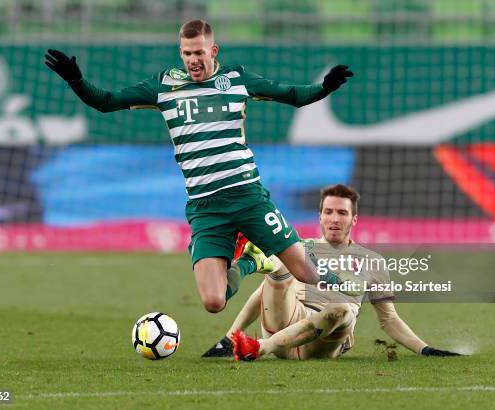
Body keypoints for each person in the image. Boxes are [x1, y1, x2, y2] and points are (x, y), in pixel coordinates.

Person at [44, 20, 353, 313]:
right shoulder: (165, 84)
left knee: (306, 272)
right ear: (181, 53)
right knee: (213, 301)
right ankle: (249, 261)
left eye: (199, 52)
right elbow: (106, 101)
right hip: (205, 207)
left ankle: (353, 293)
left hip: (247, 195)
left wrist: (325, 87)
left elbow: (293, 95)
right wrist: (76, 81)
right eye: (187, 53)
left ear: (213, 51)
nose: (193, 60)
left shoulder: (236, 79)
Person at [202, 184, 461, 360]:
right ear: (320, 216)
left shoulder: (372, 261)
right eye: (328, 212)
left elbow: (389, 320)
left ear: (354, 219)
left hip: (324, 341)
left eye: (342, 213)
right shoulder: (302, 249)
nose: (334, 219)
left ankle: (258, 344)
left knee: (343, 311)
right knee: (281, 268)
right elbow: (261, 295)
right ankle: (256, 268)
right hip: (284, 323)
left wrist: (425, 349)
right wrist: (228, 338)